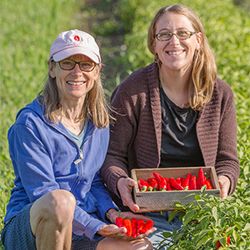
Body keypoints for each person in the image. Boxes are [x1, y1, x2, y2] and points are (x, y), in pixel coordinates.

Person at [1, 29, 156, 250]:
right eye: (67, 63)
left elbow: (92, 181)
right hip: (33, 228)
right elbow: (43, 194)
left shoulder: (98, 122)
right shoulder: (30, 125)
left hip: (83, 226)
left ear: (96, 71)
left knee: (142, 247)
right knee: (60, 202)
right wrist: (97, 227)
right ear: (52, 68)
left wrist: (113, 214)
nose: (77, 72)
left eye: (86, 65)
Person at [100, 4, 240, 249]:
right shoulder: (133, 92)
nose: (174, 41)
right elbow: (112, 155)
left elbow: (227, 160)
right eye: (164, 34)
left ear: (198, 40)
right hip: (148, 212)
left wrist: (225, 181)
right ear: (154, 45)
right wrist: (120, 181)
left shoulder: (220, 95)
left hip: (202, 212)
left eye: (183, 33)